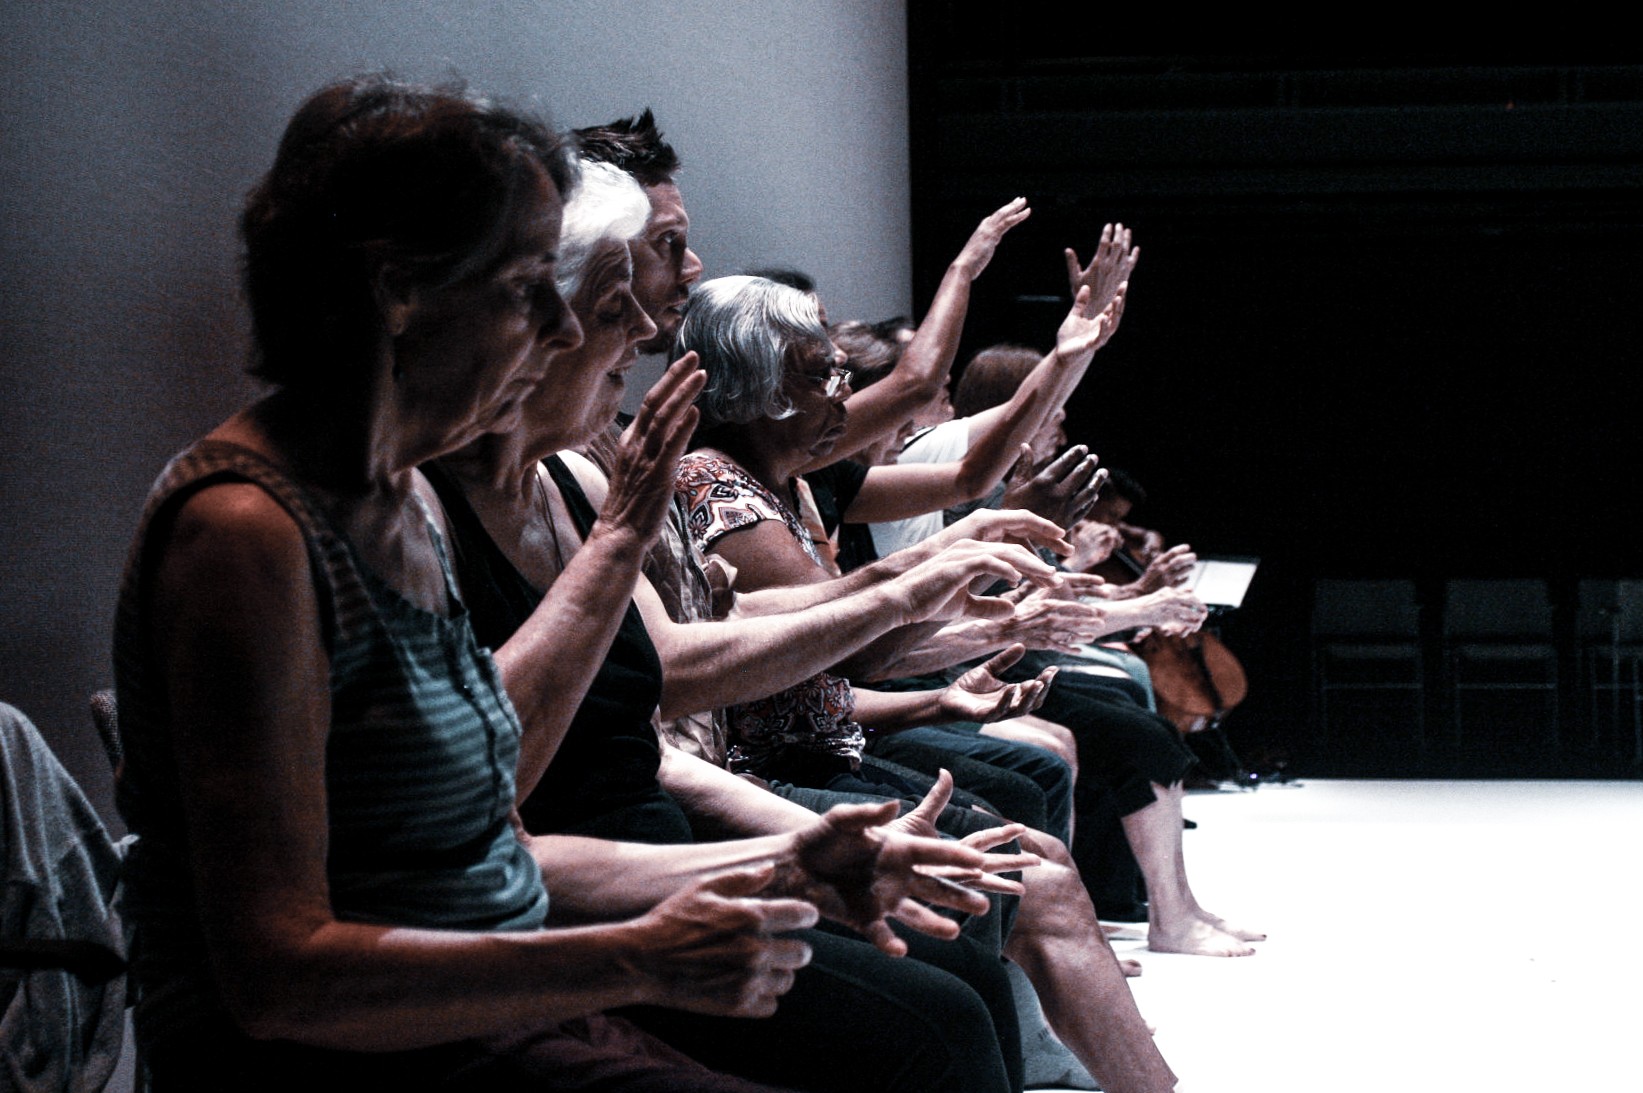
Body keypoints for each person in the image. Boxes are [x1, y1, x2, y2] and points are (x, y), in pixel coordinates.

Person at [111, 77, 987, 1091]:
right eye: (528, 285)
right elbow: (277, 980)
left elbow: (495, 852)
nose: (565, 330)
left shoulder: (407, 502)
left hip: (472, 1020)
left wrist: (789, 866)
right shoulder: (245, 533)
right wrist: (634, 957)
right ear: (398, 288)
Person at [674, 274, 1180, 1093]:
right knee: (1032, 858)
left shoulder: (789, 482)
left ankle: (1054, 1046)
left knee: (1037, 836)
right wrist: (959, 583)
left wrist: (982, 602)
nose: (849, 394)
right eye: (823, 371)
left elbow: (875, 624)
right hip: (782, 766)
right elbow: (852, 649)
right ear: (765, 391)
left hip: (824, 744)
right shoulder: (716, 486)